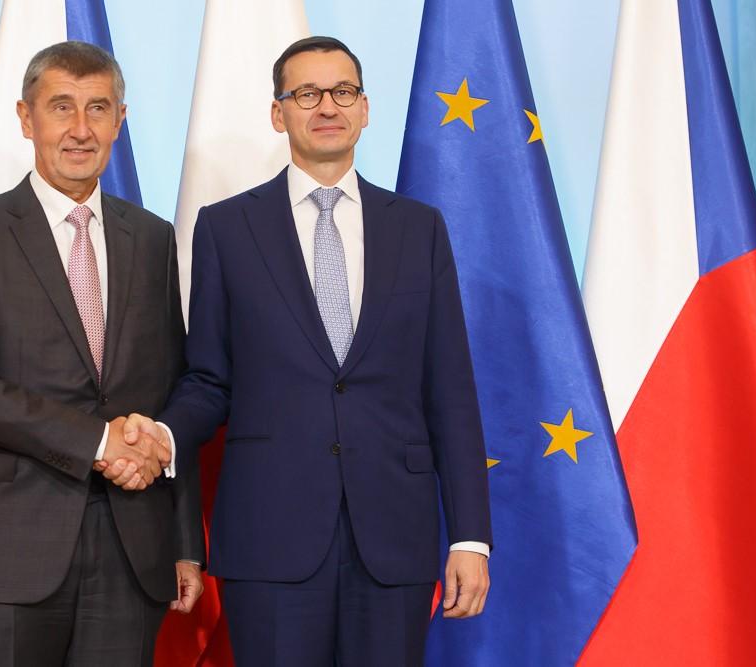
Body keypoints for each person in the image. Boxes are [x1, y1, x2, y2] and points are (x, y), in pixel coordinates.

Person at [127, 36, 493, 666]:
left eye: (343, 91)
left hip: (394, 536)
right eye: (306, 93)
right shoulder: (226, 228)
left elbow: (450, 391)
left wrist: (470, 537)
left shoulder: (420, 228)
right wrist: (162, 435)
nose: (327, 106)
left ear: (365, 109)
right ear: (279, 113)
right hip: (271, 535)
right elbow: (209, 379)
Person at [0, 41, 204, 666]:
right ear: (26, 118)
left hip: (132, 551)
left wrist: (184, 542)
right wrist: (98, 443)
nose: (81, 129)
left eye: (98, 108)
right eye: (61, 107)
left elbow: (170, 390)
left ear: (119, 121)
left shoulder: (153, 238)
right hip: (5, 549)